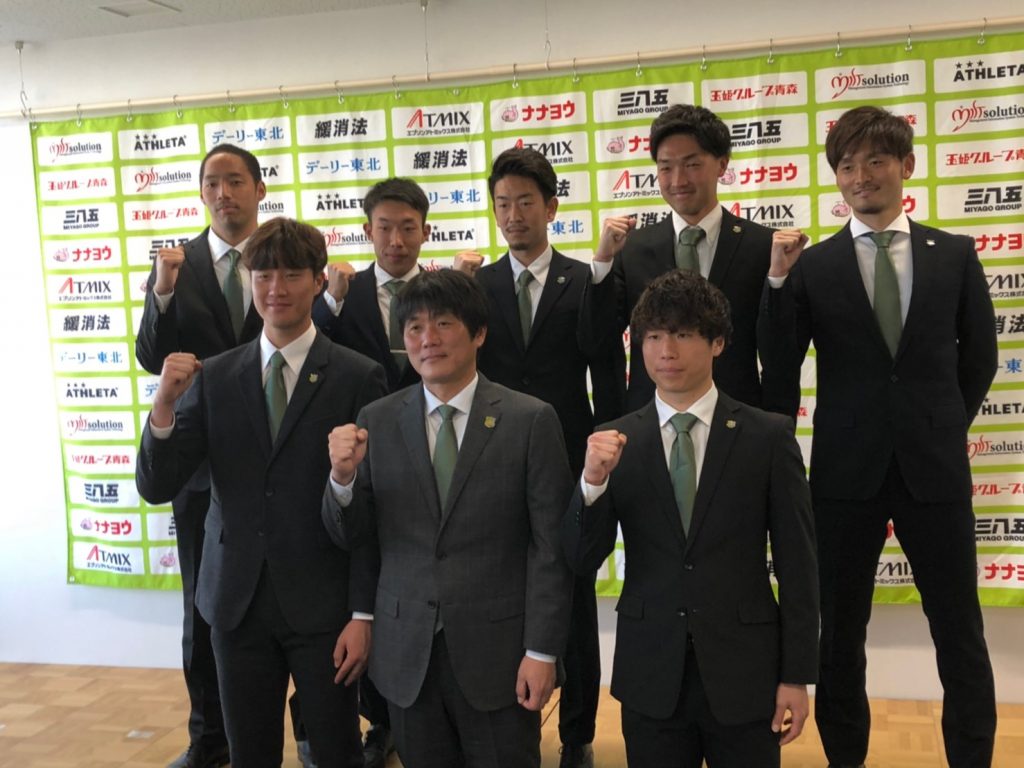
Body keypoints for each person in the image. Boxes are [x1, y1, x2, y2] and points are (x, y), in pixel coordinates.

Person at [763, 105, 998, 768]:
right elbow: (779, 366)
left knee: (959, 632)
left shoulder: (955, 254)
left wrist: (939, 424)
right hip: (845, 472)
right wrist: (777, 280)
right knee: (840, 636)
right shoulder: (814, 265)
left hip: (935, 470)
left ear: (906, 166)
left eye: (875, 161)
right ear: (836, 176)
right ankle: (847, 759)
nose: (861, 176)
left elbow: (980, 359)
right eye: (846, 165)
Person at [136, 217, 388, 767]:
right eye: (264, 275)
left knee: (337, 753)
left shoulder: (357, 376)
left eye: (292, 275)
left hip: (324, 605)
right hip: (235, 603)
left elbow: (372, 513)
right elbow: (157, 485)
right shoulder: (215, 376)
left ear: (318, 281)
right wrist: (162, 408)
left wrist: (363, 614)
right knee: (250, 753)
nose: (276, 288)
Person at [563, 269, 818, 768]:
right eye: (653, 336)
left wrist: (797, 675)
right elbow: (579, 558)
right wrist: (591, 484)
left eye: (682, 334)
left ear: (717, 342)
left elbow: (799, 566)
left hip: (746, 671)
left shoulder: (767, 437)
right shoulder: (615, 440)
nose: (666, 351)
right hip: (650, 671)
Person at [322, 269, 574, 768]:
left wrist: (542, 651)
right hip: (406, 653)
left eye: (443, 323)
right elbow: (356, 537)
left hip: (500, 655)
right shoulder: (376, 420)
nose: (428, 339)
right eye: (414, 327)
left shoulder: (530, 419)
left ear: (479, 333)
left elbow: (550, 548)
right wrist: (341, 480)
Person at [454, 147, 624, 768]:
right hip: (493, 455)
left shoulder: (587, 279)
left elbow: (607, 367)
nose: (513, 215)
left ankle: (578, 734)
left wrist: (609, 445)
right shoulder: (477, 286)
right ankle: (503, 718)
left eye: (525, 201)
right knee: (500, 587)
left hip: (570, 455)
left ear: (551, 207)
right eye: (502, 204)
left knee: (571, 593)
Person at [135, 143, 266, 768]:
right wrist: (161, 293)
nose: (223, 193)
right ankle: (208, 739)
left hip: (279, 453)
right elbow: (149, 355)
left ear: (259, 190)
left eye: (235, 181)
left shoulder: (282, 256)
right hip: (198, 463)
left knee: (304, 603)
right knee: (202, 607)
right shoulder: (175, 266)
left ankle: (313, 733)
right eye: (212, 182)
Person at [310, 176, 434, 767]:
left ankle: (417, 710)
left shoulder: (441, 295)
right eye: (384, 228)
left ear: (425, 231)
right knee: (361, 588)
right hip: (359, 457)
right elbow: (310, 348)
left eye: (408, 228)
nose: (396, 240)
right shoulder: (341, 293)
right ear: (367, 231)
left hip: (430, 458)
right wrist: (331, 302)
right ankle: (377, 720)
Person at [591, 103, 789, 414]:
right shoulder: (630, 249)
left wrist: (779, 279)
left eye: (692, 165)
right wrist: (602, 262)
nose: (678, 180)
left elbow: (781, 350)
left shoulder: (763, 246)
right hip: (651, 420)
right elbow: (597, 339)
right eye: (665, 167)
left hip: (737, 418)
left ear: (722, 164)